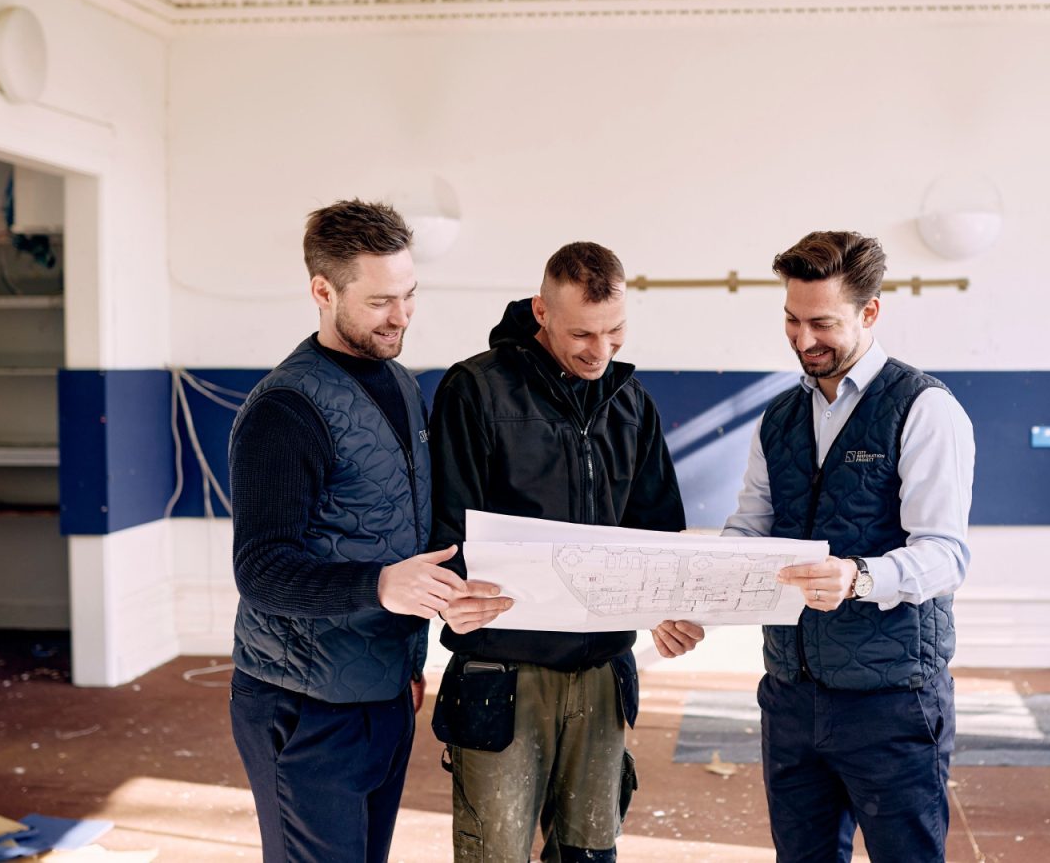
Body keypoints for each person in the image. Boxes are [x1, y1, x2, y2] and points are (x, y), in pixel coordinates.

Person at [227, 199, 506, 863]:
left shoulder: (403, 386)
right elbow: (261, 569)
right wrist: (382, 587)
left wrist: (437, 616)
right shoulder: (285, 410)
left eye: (410, 295)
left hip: (382, 692)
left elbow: (400, 532)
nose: (402, 316)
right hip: (304, 706)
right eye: (381, 301)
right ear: (323, 292)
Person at [426, 241, 701, 863]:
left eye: (615, 331)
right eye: (582, 333)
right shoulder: (476, 391)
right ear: (540, 312)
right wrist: (451, 600)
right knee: (495, 853)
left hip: (603, 670)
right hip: (503, 671)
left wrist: (667, 605)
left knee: (590, 853)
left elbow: (656, 534)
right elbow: (445, 532)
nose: (600, 352)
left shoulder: (630, 404)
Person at [718, 230, 975, 862]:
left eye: (823, 323)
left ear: (870, 312)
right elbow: (748, 530)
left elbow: (945, 554)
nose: (804, 340)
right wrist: (693, 595)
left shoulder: (924, 408)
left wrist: (859, 577)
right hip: (791, 696)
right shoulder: (777, 419)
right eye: (791, 321)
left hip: (892, 702)